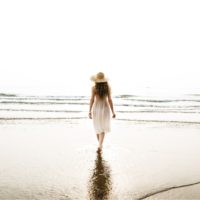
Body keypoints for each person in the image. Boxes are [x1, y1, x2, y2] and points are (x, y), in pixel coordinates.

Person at [89, 72, 116, 150]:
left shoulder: (94, 88)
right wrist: (113, 111)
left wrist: (89, 111)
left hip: (96, 108)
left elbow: (92, 99)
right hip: (105, 108)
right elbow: (110, 100)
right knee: (102, 128)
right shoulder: (108, 87)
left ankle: (100, 145)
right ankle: (100, 145)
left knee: (97, 127)